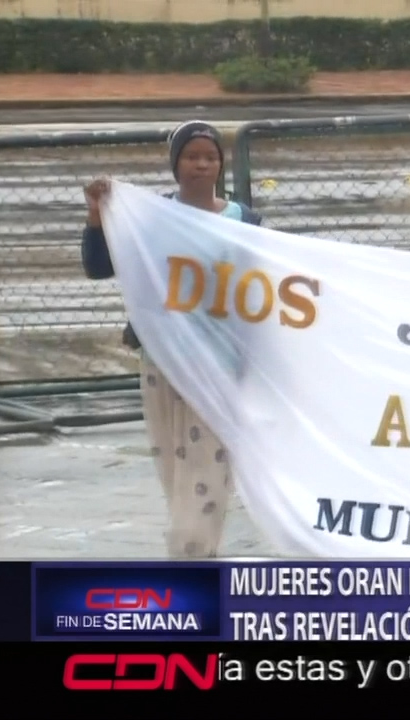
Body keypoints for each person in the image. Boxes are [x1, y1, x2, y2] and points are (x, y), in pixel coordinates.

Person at [81, 120, 264, 559]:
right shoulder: (149, 217)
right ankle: (193, 555)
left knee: (207, 477)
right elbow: (99, 266)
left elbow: (263, 292)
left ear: (221, 164)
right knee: (176, 471)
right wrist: (97, 214)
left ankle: (192, 556)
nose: (202, 165)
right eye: (192, 156)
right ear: (175, 164)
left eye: (210, 157)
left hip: (218, 368)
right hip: (163, 364)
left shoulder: (246, 222)